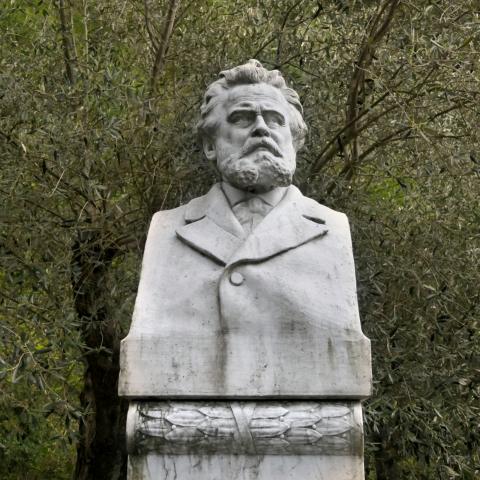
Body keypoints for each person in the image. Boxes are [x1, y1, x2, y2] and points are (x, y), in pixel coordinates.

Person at [119, 60, 371, 399]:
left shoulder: (332, 230)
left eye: (274, 119)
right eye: (242, 118)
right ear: (210, 145)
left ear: (294, 142)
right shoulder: (167, 230)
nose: (261, 129)